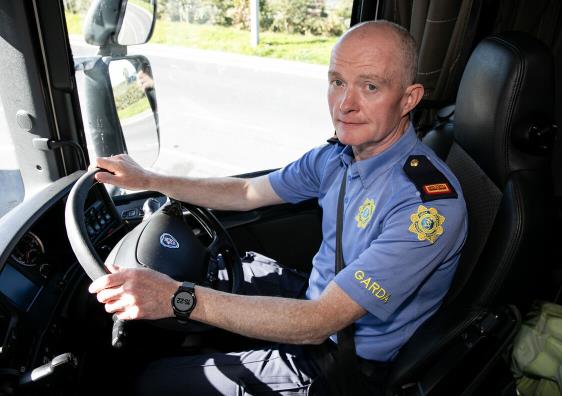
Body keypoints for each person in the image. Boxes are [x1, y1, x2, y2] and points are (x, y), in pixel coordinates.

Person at [88, 20, 468, 395]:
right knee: (216, 271)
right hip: (314, 298)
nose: (345, 104)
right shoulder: (336, 158)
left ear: (409, 99)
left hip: (341, 359)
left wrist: (175, 297)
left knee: (148, 384)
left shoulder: (426, 209)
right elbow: (246, 192)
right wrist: (150, 180)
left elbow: (321, 322)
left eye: (370, 86)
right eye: (337, 82)